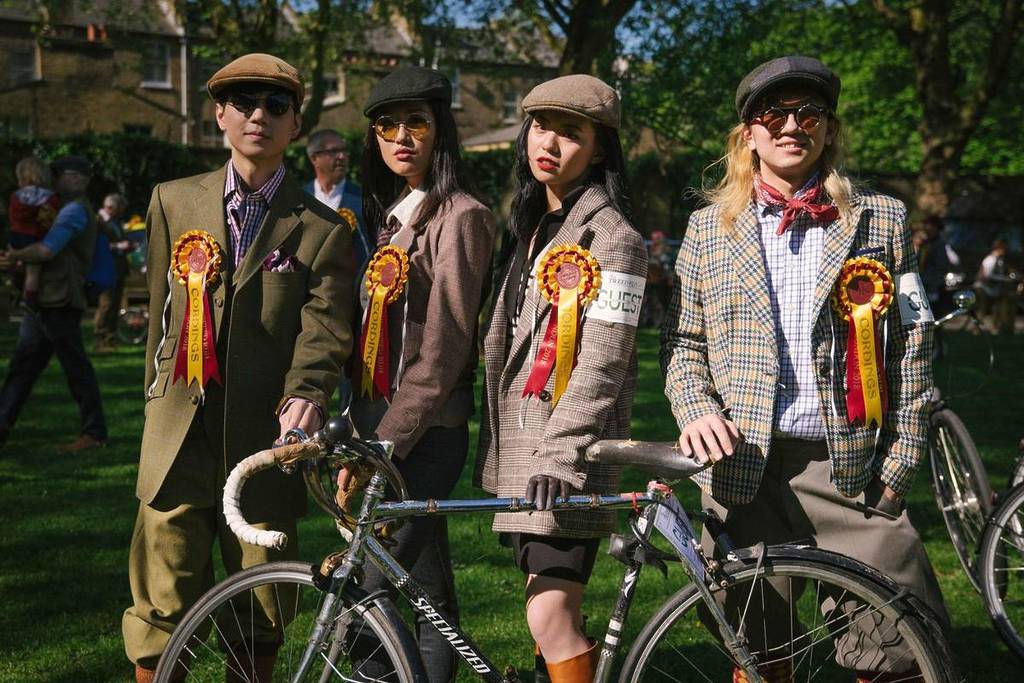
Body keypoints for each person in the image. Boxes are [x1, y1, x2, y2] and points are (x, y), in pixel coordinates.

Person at [660, 56, 950, 681]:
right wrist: (698, 409)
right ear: (748, 134)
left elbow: (916, 345)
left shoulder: (882, 219)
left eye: (808, 113)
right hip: (742, 468)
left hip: (850, 467)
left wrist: (900, 464)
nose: (792, 125)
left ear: (828, 129)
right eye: (774, 113)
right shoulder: (707, 229)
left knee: (898, 643)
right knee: (755, 644)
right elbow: (681, 345)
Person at [121, 53, 354, 683]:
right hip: (177, 439)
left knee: (262, 605)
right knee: (158, 605)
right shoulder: (172, 201)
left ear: (296, 123)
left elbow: (327, 329)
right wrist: (154, 405)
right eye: (244, 102)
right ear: (219, 114)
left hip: (266, 444)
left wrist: (307, 393)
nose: (259, 115)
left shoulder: (325, 229)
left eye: (276, 105)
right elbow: (164, 314)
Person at [474, 75, 647, 683]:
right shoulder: (533, 225)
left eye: (570, 133)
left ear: (599, 151)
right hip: (524, 449)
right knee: (542, 613)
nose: (548, 142)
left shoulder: (616, 240)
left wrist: (561, 455)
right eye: (541, 126)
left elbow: (604, 362)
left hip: (565, 455)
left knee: (552, 616)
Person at [338, 65, 496, 683]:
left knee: (366, 589)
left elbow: (447, 347)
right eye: (386, 126)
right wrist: (359, 425)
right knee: (426, 588)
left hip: (425, 434)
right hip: (380, 426)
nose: (401, 137)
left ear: (441, 131)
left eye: (416, 123)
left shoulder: (463, 216)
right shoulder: (390, 218)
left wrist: (385, 440)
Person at [0, 155, 107, 452]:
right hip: (48, 299)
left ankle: (94, 432)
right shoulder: (62, 207)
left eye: (58, 174)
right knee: (24, 367)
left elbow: (47, 250)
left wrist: (15, 257)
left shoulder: (73, 210)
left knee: (74, 368)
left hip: (59, 299)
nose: (52, 179)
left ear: (78, 178)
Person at [304, 128, 373, 277]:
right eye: (334, 151)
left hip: (352, 289)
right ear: (314, 158)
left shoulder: (364, 198)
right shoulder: (300, 199)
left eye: (344, 150)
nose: (342, 156)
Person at [7, 156, 60, 309]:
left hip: (16, 235)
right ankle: (29, 301)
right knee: (33, 272)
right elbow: (47, 220)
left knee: (15, 263)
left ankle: (15, 289)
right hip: (33, 236)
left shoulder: (16, 196)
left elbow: (13, 216)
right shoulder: (49, 197)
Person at [93, 193, 132, 352]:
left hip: (118, 269)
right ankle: (100, 339)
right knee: (106, 304)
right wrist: (118, 246)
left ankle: (110, 339)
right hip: (105, 269)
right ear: (111, 207)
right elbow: (96, 246)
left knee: (115, 304)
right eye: (120, 209)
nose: (121, 212)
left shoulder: (115, 222)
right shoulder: (98, 222)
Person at [975, 238, 1017, 334]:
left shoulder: (999, 260)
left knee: (995, 308)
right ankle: (977, 329)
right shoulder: (990, 259)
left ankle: (994, 328)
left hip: (989, 288)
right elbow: (987, 276)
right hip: (983, 287)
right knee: (983, 309)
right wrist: (1005, 279)